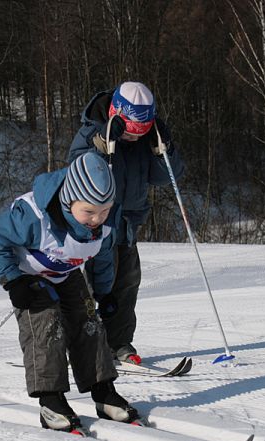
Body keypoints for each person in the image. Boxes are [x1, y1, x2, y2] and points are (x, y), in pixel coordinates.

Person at [0, 152, 140, 434]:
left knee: (88, 322)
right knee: (46, 326)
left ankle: (103, 392)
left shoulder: (107, 223)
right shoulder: (32, 217)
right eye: (88, 212)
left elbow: (101, 257)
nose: (96, 219)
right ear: (69, 201)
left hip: (65, 274)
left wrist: (104, 293)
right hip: (29, 277)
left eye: (103, 211)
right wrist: (13, 280)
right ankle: (50, 400)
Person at [67, 81, 184, 366]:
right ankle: (80, 346)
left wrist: (163, 150)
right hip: (97, 222)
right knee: (92, 286)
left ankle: (118, 343)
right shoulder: (93, 130)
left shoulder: (147, 136)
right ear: (118, 114)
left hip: (129, 222)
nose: (135, 138)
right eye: (132, 132)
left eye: (141, 132)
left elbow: (165, 177)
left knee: (127, 283)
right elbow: (74, 169)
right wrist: (100, 145)